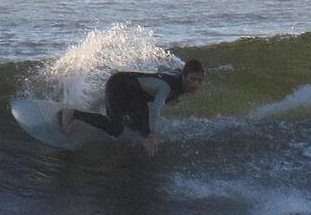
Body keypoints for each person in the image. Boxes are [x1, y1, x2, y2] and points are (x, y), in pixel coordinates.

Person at [60, 59, 205, 157]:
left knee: (143, 130)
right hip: (118, 85)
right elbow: (155, 109)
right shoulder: (167, 87)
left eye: (199, 80)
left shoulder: (179, 79)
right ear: (184, 76)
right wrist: (154, 134)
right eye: (192, 79)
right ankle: (73, 114)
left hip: (134, 95)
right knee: (116, 128)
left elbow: (162, 68)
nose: (195, 84)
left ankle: (138, 153)